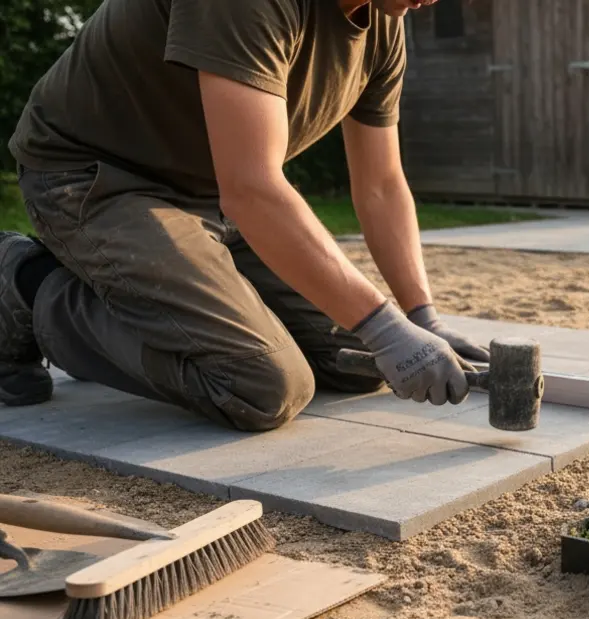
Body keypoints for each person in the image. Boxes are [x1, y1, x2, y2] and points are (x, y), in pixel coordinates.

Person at [0, 0, 488, 432]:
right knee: (258, 384)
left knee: (355, 364)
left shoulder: (382, 24)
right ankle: (26, 283)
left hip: (215, 195)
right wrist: (384, 326)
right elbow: (253, 188)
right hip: (94, 179)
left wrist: (422, 318)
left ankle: (136, 294)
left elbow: (381, 185)